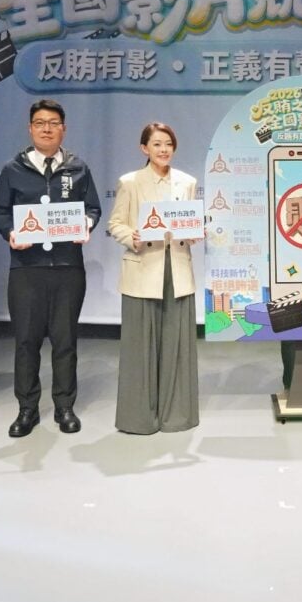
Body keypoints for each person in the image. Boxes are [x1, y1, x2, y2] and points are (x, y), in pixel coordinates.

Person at [0, 100, 101, 437]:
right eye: (40, 123)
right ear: (30, 129)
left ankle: (64, 406)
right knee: (26, 341)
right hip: (27, 268)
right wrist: (11, 233)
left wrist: (86, 224)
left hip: (68, 267)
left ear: (63, 129)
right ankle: (27, 409)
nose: (47, 129)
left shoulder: (78, 167)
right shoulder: (13, 169)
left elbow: (93, 208)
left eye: (53, 123)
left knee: (65, 341)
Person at [107, 122, 200, 434]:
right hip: (143, 267)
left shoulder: (187, 182)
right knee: (140, 347)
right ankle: (139, 418)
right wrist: (131, 236)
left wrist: (194, 231)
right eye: (157, 144)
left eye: (168, 144)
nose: (163, 149)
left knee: (177, 344)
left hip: (178, 268)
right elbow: (116, 223)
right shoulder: (130, 182)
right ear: (144, 148)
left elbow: (189, 222)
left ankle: (177, 415)